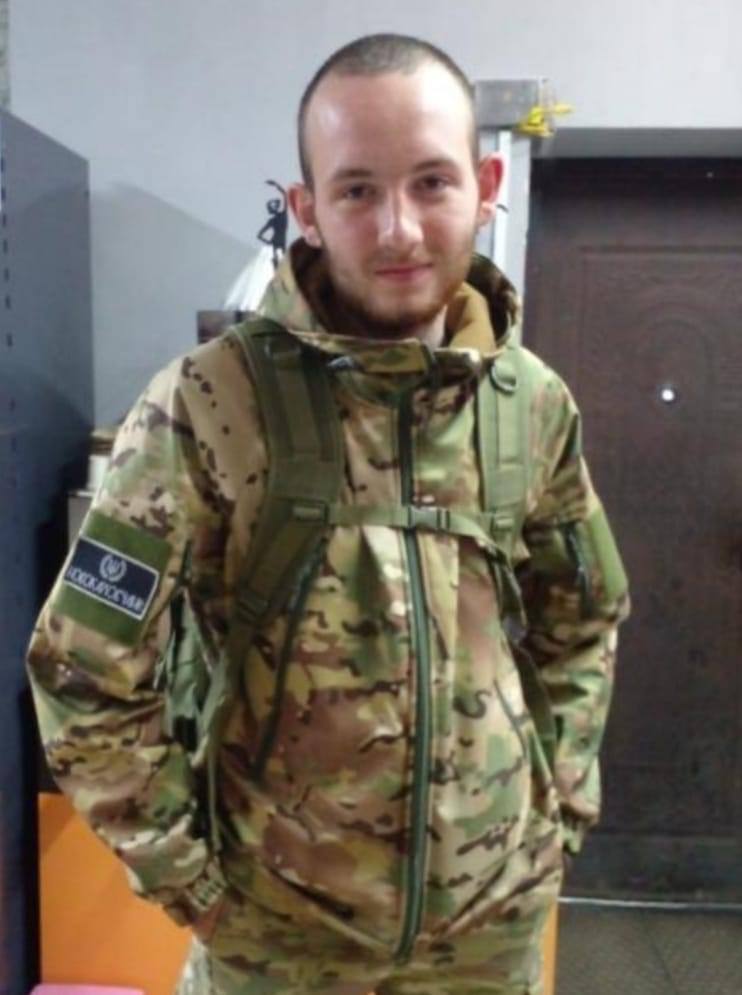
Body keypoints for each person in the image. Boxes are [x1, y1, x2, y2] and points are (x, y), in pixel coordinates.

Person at [27, 32, 629, 995]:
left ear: (484, 186)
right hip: (276, 944)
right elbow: (82, 666)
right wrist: (189, 877)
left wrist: (557, 809)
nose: (399, 230)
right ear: (305, 209)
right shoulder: (209, 403)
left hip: (488, 942)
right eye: (356, 190)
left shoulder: (531, 404)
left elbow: (582, 617)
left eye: (431, 183)